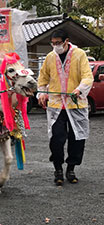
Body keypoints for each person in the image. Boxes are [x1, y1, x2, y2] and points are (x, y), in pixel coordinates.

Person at [38, 29, 93, 186]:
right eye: (53, 43)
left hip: (76, 103)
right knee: (57, 138)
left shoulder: (79, 54)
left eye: (58, 43)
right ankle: (58, 169)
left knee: (77, 138)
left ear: (66, 41)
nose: (55, 46)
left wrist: (79, 89)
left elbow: (87, 76)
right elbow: (42, 79)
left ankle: (71, 168)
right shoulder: (49, 57)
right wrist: (41, 93)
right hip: (56, 104)